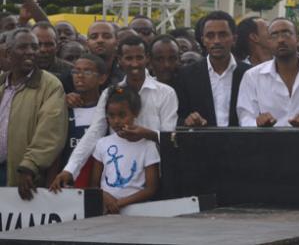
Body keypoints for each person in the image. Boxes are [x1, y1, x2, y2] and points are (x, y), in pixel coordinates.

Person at [50, 36, 177, 191]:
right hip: (117, 181)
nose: (135, 64)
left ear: (147, 59)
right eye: (129, 58)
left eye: (139, 58)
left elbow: (170, 137)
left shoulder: (166, 93)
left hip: (156, 175)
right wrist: (70, 169)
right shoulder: (109, 93)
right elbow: (94, 132)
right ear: (120, 60)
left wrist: (146, 134)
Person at [0, 28, 67, 198]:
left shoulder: (50, 85)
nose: (30, 52)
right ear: (8, 53)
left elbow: (50, 133)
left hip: (22, 174)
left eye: (34, 47)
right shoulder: (2, 83)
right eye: (23, 47)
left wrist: (30, 165)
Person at [237, 18, 299, 128]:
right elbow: (245, 119)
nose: (280, 40)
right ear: (269, 42)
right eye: (274, 35)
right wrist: (258, 123)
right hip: (269, 142)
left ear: (298, 40)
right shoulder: (252, 76)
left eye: (286, 33)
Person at [90, 86, 160, 214]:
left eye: (122, 115)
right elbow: (94, 184)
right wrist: (106, 198)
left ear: (135, 113)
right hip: (106, 209)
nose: (116, 121)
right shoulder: (102, 144)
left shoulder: (148, 145)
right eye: (111, 116)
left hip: (136, 211)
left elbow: (151, 188)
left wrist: (120, 203)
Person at [175, 11, 251, 127]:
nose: (216, 41)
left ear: (234, 38)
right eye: (210, 36)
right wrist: (188, 121)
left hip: (240, 143)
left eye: (223, 35)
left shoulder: (249, 74)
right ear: (203, 40)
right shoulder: (186, 75)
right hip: (202, 143)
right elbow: (178, 117)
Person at [52, 53, 107, 188]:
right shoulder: (64, 107)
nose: (80, 76)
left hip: (103, 182)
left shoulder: (110, 110)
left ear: (102, 78)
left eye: (87, 71)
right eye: (76, 71)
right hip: (67, 181)